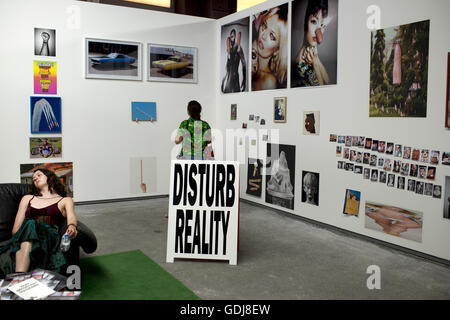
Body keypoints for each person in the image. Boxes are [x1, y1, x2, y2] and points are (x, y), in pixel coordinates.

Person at [0, 168, 77, 277]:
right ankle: (20, 277)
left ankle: (18, 278)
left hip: (49, 238)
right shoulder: (27, 198)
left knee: (31, 223)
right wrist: (24, 235)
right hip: (25, 238)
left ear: (50, 177)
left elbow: (71, 218)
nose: (35, 178)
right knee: (30, 224)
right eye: (33, 178)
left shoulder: (65, 200)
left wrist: (72, 226)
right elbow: (15, 230)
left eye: (39, 175)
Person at [293, 0, 329, 87]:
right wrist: (315, 63)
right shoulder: (300, 60)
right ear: (306, 24)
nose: (318, 30)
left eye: (322, 25)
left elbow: (327, 80)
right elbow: (321, 87)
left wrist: (316, 59)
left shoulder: (312, 51)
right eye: (313, 22)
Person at [252, 5, 288, 90]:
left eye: (272, 36)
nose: (263, 36)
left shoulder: (269, 80)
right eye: (264, 25)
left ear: (277, 50)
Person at [221, 29, 247, 93]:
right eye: (230, 37)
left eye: (232, 36)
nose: (231, 39)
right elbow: (227, 67)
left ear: (235, 37)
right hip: (228, 80)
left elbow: (244, 64)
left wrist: (244, 80)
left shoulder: (238, 48)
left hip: (235, 79)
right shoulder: (230, 50)